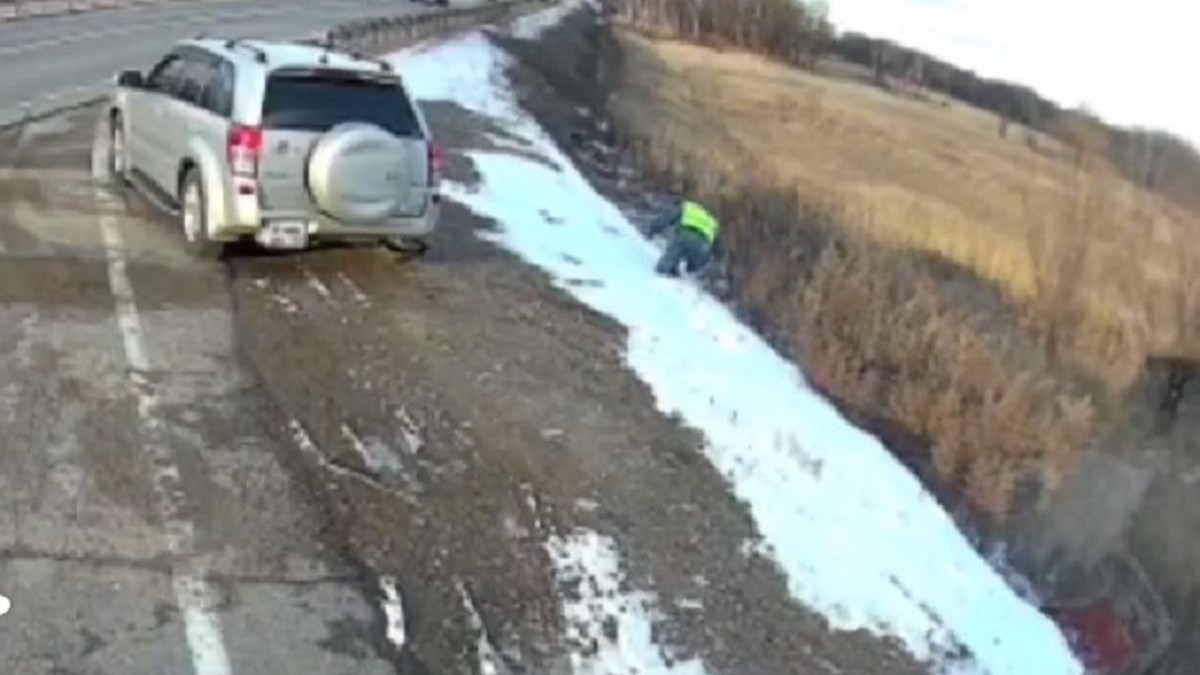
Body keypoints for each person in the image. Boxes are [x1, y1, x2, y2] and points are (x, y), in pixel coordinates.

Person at [645, 196, 721, 278]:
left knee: (675, 250)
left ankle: (663, 270)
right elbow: (717, 248)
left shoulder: (687, 207)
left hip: (685, 236)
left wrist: (653, 230)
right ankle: (686, 270)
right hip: (703, 246)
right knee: (694, 258)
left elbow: (667, 219)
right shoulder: (712, 221)